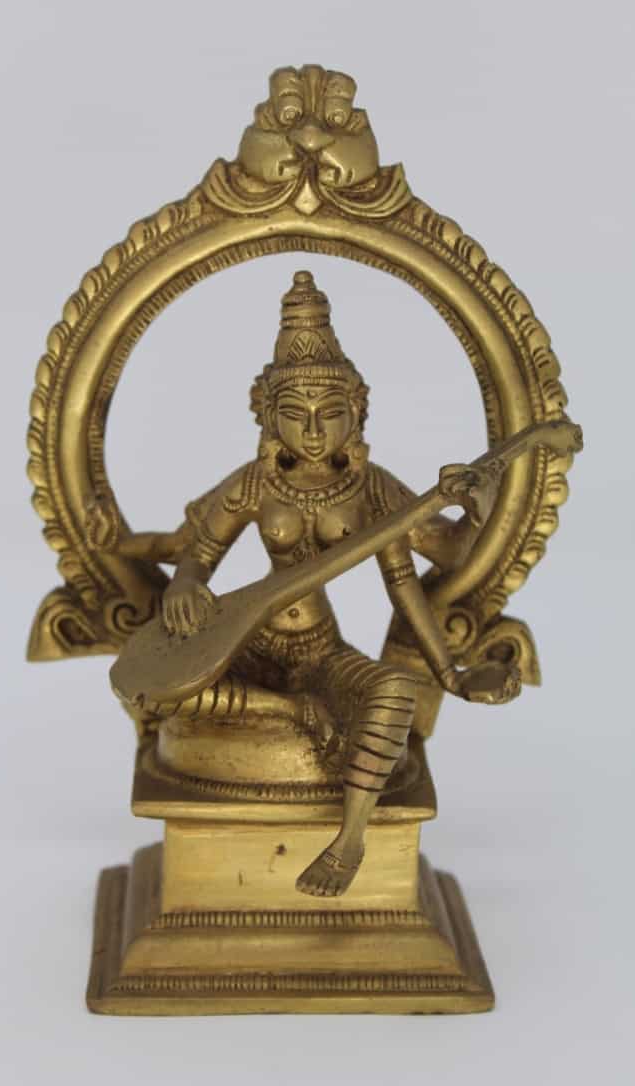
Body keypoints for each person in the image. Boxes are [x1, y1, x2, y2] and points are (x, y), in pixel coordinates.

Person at [104, 270, 517, 897]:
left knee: (394, 695)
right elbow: (197, 555)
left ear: (358, 413)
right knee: (156, 699)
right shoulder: (254, 483)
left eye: (331, 414)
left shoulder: (373, 488)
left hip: (322, 651)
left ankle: (349, 840)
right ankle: (292, 711)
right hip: (246, 647)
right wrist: (185, 585)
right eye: (296, 416)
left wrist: (477, 514)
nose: (315, 432)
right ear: (269, 419)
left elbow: (424, 574)